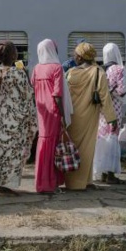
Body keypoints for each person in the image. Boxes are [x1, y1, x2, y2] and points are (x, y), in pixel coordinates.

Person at [0, 41, 37, 195]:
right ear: (12, 55)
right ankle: (7, 185)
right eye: (15, 51)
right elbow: (28, 95)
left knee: (1, 150)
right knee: (14, 151)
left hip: (1, 117)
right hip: (17, 118)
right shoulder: (20, 73)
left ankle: (0, 183)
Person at [65, 42, 117, 191]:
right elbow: (105, 97)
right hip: (89, 115)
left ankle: (78, 182)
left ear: (81, 57)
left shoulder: (71, 72)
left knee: (73, 147)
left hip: (72, 116)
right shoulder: (98, 72)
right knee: (87, 149)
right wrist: (110, 118)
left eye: (76, 54)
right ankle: (82, 182)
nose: (74, 56)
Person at [31, 39, 72, 194]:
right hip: (53, 111)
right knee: (52, 146)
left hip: (41, 111)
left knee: (43, 143)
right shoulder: (57, 68)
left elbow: (33, 88)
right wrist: (62, 115)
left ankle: (41, 182)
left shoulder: (36, 68)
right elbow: (57, 95)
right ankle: (50, 184)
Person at [94, 43, 126, 185]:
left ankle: (101, 173)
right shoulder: (120, 69)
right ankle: (111, 174)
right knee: (112, 138)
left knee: (102, 139)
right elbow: (121, 91)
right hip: (115, 109)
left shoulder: (100, 70)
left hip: (101, 110)